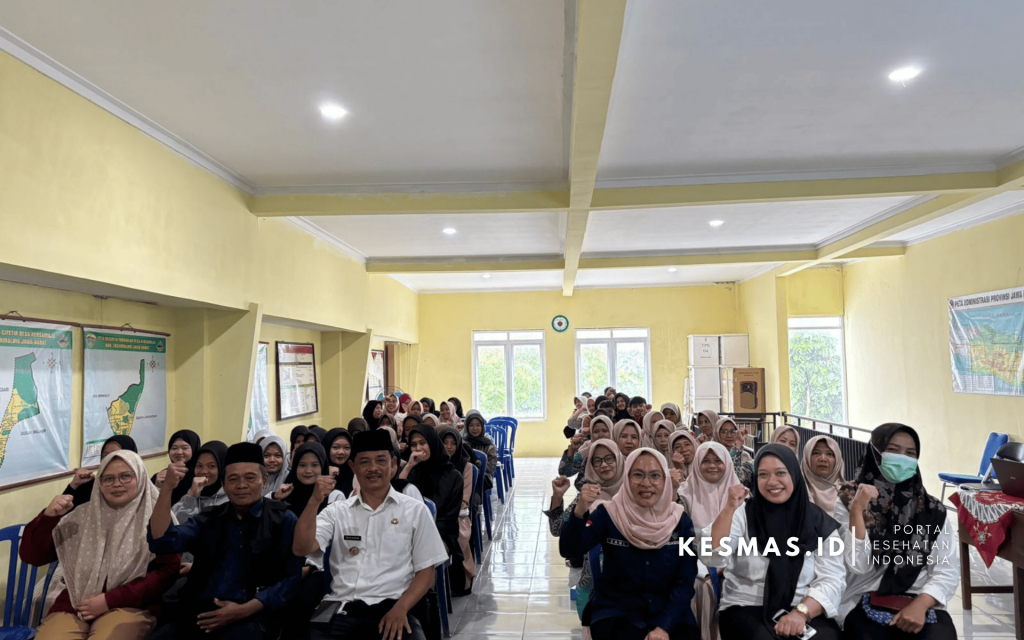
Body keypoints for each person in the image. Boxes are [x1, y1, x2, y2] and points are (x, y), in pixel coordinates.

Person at [292, 429, 448, 640]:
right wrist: (314, 501)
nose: (373, 468)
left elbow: (426, 572)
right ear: (353, 467)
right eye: (364, 462)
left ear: (393, 464)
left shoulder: (415, 510)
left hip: (396, 605)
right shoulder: (337, 511)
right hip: (342, 606)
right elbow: (301, 548)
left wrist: (401, 608)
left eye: (381, 460)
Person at [148, 442, 303, 639]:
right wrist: (167, 490)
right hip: (202, 612)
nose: (241, 485)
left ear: (264, 480)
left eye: (250, 478)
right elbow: (162, 541)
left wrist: (245, 610)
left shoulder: (283, 520)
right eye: (233, 479)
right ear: (223, 483)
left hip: (254, 614)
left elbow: (291, 579)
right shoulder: (209, 518)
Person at [21, 450, 180, 640]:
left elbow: (167, 571)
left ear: (141, 477)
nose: (117, 484)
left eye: (126, 476)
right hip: (76, 603)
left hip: (131, 605)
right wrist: (48, 519)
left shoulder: (157, 516)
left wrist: (109, 600)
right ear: (99, 482)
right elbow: (33, 556)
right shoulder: (81, 516)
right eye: (108, 479)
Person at [704, 444, 852, 640]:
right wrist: (729, 508)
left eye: (781, 473)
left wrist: (801, 612)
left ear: (794, 475)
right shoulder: (742, 514)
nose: (772, 482)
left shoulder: (818, 521)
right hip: (747, 604)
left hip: (804, 604)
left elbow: (832, 579)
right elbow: (713, 557)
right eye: (763, 475)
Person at [560, 448, 700, 640]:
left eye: (655, 476)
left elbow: (686, 579)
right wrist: (579, 511)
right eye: (638, 475)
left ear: (665, 480)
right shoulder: (609, 514)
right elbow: (569, 549)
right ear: (626, 477)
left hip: (669, 611)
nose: (646, 483)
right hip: (617, 610)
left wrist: (663, 627)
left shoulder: (680, 521)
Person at [836, 424, 959, 640]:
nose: (902, 458)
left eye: (910, 453)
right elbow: (858, 564)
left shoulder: (932, 510)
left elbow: (946, 570)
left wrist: (921, 603)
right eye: (893, 450)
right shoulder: (847, 500)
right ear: (875, 452)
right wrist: (857, 510)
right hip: (863, 595)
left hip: (920, 596)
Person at [546, 439, 624, 623]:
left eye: (609, 458)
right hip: (593, 588)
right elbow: (557, 530)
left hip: (633, 587)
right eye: (597, 461)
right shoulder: (589, 495)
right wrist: (558, 497)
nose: (603, 465)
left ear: (620, 460)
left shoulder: (635, 495)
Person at [399, 423, 466, 597]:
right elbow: (396, 498)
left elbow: (448, 520)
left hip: (440, 534)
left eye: (423, 443)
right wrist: (408, 467)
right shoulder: (412, 472)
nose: (418, 448)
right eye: (414, 445)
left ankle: (425, 598)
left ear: (433, 444)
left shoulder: (454, 477)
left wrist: (422, 535)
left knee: (422, 555)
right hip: (407, 533)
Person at [439, 426, 477, 595]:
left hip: (457, 514)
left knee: (456, 534)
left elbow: (464, 498)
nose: (449, 447)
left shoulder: (465, 466)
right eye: (445, 443)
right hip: (439, 515)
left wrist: (447, 511)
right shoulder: (434, 464)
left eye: (453, 443)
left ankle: (462, 581)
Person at [678, 442, 741, 531]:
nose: (712, 466)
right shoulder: (683, 495)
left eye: (718, 461)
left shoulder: (742, 495)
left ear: (727, 463)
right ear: (697, 464)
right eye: (705, 461)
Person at [64, 434, 138, 507]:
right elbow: (65, 511)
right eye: (105, 455)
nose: (109, 459)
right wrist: (74, 485)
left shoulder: (141, 486)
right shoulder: (91, 486)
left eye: (116, 455)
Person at [275, 442, 344, 516]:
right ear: (295, 467)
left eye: (314, 465)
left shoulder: (335, 497)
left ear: (322, 467)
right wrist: (276, 499)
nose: (308, 470)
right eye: (302, 465)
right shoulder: (284, 494)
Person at [172, 441, 229, 523]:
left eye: (211, 466)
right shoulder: (192, 493)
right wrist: (191, 496)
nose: (203, 471)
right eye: (199, 465)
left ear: (223, 468)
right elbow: (176, 522)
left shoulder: (231, 499)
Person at [152, 430, 200, 505]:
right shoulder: (160, 476)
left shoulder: (199, 476)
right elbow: (148, 505)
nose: (179, 452)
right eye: (174, 448)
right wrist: (157, 487)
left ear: (194, 449)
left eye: (184, 448)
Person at [801, 435, 844, 517]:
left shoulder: (849, 493)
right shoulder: (795, 491)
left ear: (837, 459)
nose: (823, 459)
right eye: (816, 453)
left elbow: (856, 525)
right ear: (807, 458)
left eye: (829, 454)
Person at [462, 410, 497, 489]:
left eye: (478, 425)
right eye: (471, 425)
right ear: (467, 427)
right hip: (464, 475)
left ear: (482, 427)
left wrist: (482, 464)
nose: (475, 428)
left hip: (483, 477)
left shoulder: (489, 445)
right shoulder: (463, 443)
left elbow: (492, 468)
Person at [714, 417, 753, 485]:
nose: (729, 435)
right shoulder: (712, 455)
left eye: (732, 431)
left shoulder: (744, 456)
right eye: (724, 432)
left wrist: (738, 446)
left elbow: (737, 479)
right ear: (717, 433)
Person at [322, 428, 356, 497]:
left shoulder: (356, 474)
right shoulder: (319, 473)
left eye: (346, 448)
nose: (341, 452)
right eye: (336, 447)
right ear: (327, 448)